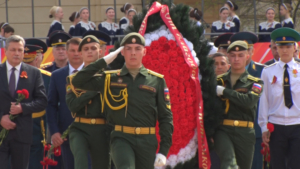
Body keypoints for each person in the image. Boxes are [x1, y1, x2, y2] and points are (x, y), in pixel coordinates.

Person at [71, 33, 173, 169]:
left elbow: (165, 116)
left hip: (147, 140)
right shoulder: (110, 78)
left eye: (137, 48)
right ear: (122, 52)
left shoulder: (156, 80)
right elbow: (78, 81)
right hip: (121, 138)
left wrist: (163, 151)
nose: (133, 53)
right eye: (128, 48)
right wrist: (104, 61)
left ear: (144, 51)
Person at [0, 35, 47, 169]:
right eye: (13, 50)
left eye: (20, 50)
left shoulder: (33, 73)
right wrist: (0, 118)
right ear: (6, 51)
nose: (17, 53)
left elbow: (42, 100)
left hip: (22, 134)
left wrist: (23, 108)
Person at [214, 40, 264, 169]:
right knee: (229, 163)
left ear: (247, 56)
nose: (236, 59)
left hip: (245, 132)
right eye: (233, 55)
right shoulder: (217, 81)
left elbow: (248, 102)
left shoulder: (256, 82)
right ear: (228, 57)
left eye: (241, 55)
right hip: (222, 130)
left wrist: (225, 92)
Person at [66, 33, 110, 169]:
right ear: (81, 53)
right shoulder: (73, 79)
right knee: (81, 163)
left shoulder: (110, 77)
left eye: (93, 48)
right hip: (80, 128)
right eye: (86, 49)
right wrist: (93, 92)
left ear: (100, 51)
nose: (90, 51)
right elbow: (73, 106)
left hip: (102, 130)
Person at [258, 27, 300, 169]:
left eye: (288, 46)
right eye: (281, 46)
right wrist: (264, 126)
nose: (285, 50)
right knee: (277, 165)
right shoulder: (268, 71)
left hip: (297, 124)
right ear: (276, 47)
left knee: (296, 164)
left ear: (295, 47)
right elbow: (264, 100)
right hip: (276, 125)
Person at [230, 31, 265, 169]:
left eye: (247, 50)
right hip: (230, 130)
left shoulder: (263, 71)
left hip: (254, 130)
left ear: (251, 51)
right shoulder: (227, 72)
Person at [47, 37, 83, 169]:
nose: (76, 53)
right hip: (66, 134)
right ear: (67, 52)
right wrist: (54, 131)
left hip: (91, 133)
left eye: (79, 50)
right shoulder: (57, 75)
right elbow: (51, 105)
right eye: (72, 50)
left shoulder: (94, 74)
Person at [23, 39, 51, 169]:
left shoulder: (48, 77)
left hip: (40, 126)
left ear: (39, 58)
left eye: (31, 60)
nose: (28, 64)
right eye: (25, 61)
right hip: (18, 124)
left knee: (37, 162)